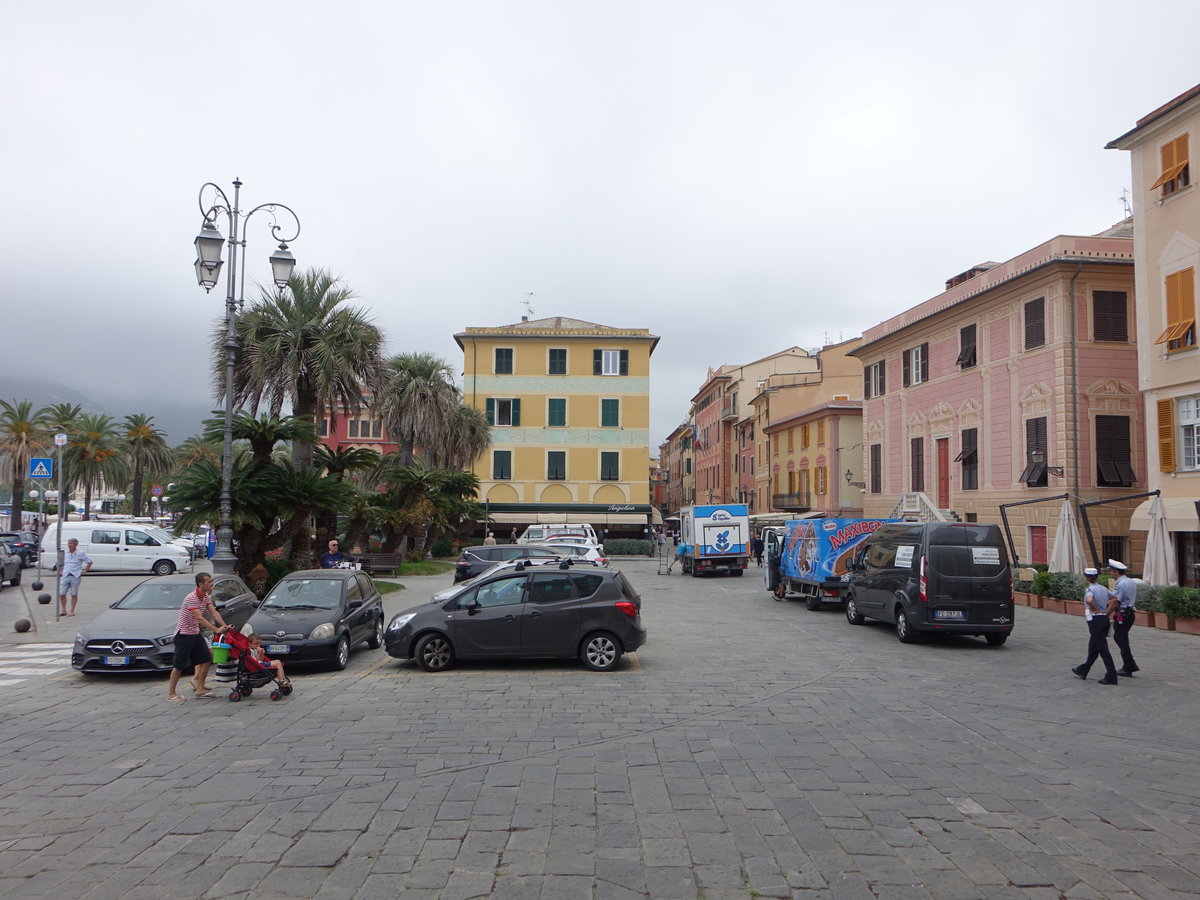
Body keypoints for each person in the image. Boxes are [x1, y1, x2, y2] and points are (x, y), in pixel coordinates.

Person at [167, 572, 230, 701]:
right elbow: (199, 618)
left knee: (206, 659)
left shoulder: (206, 596)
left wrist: (225, 626)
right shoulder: (192, 598)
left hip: (195, 633)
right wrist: (216, 629)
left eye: (211, 581)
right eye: (208, 582)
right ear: (200, 584)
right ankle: (171, 693)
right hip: (184, 634)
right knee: (179, 665)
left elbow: (213, 612)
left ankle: (200, 689)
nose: (211, 584)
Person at [1072, 567, 1118, 685]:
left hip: (1095, 620)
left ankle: (1111, 675)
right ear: (1097, 577)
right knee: (1093, 648)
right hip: (1104, 618)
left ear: (1086, 577)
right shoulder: (1103, 588)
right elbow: (1114, 598)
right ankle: (1083, 669)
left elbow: (1089, 600)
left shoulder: (1089, 589)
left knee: (1103, 650)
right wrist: (1106, 610)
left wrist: (1095, 609)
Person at [1108, 559, 1140, 676]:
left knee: (1120, 638)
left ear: (1116, 571)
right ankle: (1129, 665)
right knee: (1122, 638)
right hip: (1129, 613)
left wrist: (1106, 614)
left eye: (1111, 571)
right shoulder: (1130, 581)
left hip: (1123, 614)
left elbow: (1116, 601)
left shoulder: (1120, 584)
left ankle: (1129, 666)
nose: (1110, 573)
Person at [58, 538, 93, 616]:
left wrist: (85, 570)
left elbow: (89, 562)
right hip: (66, 575)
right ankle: (63, 610)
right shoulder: (65, 553)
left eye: (71, 543)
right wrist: (60, 570)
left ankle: (72, 610)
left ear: (76, 544)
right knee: (62, 593)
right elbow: (60, 562)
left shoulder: (80, 553)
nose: (69, 545)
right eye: (68, 543)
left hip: (75, 576)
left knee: (73, 594)